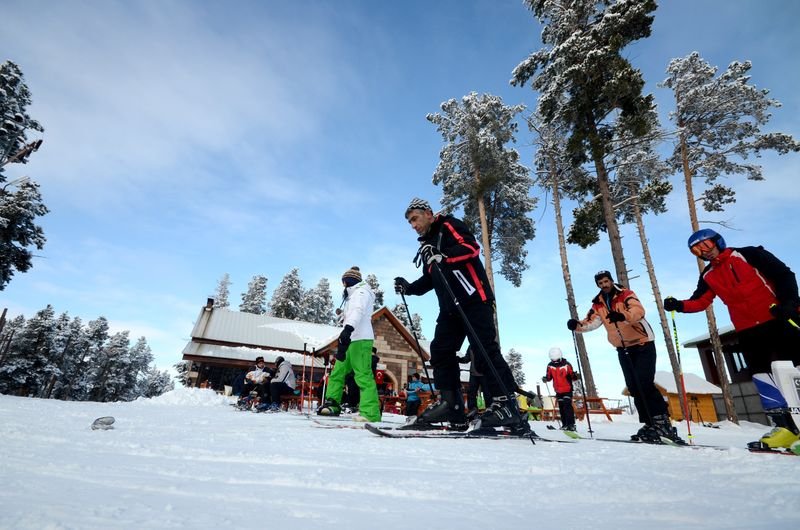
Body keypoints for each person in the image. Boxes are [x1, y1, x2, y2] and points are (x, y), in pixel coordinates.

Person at [394, 198, 528, 434]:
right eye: (409, 223)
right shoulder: (428, 245)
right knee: (441, 350)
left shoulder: (448, 226)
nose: (413, 225)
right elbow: (432, 277)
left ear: (427, 213)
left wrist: (443, 256)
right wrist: (410, 287)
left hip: (475, 299)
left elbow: (470, 248)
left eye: (415, 218)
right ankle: (452, 406)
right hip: (450, 307)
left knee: (484, 349)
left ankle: (506, 405)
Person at [664, 229, 800, 450]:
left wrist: (790, 304)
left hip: (778, 317)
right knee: (761, 375)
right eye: (696, 250)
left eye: (705, 245)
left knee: (795, 367)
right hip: (747, 329)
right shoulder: (708, 275)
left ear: (718, 241)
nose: (703, 251)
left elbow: (784, 275)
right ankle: (785, 427)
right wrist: (678, 305)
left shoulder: (748, 254)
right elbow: (700, 301)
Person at [568, 270, 683, 443]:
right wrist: (577, 325)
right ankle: (650, 424)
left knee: (644, 382)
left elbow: (638, 311)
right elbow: (591, 322)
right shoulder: (598, 304)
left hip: (643, 343)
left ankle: (662, 422)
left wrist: (623, 316)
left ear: (611, 280)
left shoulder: (626, 294)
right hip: (623, 348)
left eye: (606, 281)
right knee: (634, 387)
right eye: (600, 283)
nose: (604, 285)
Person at [317, 266, 382, 422]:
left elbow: (358, 311)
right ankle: (332, 404)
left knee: (363, 375)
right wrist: (343, 320)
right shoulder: (351, 296)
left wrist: (348, 328)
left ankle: (370, 412)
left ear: (347, 281)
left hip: (360, 339)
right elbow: (352, 314)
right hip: (349, 338)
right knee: (338, 372)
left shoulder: (361, 292)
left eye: (343, 283)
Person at [542, 347, 579, 431]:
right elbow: (549, 377)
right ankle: (565, 424)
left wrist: (575, 376)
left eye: (556, 360)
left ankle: (571, 425)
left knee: (567, 406)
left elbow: (572, 376)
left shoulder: (566, 365)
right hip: (558, 390)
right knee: (561, 407)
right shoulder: (550, 366)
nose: (554, 362)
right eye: (553, 360)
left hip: (567, 389)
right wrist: (545, 379)